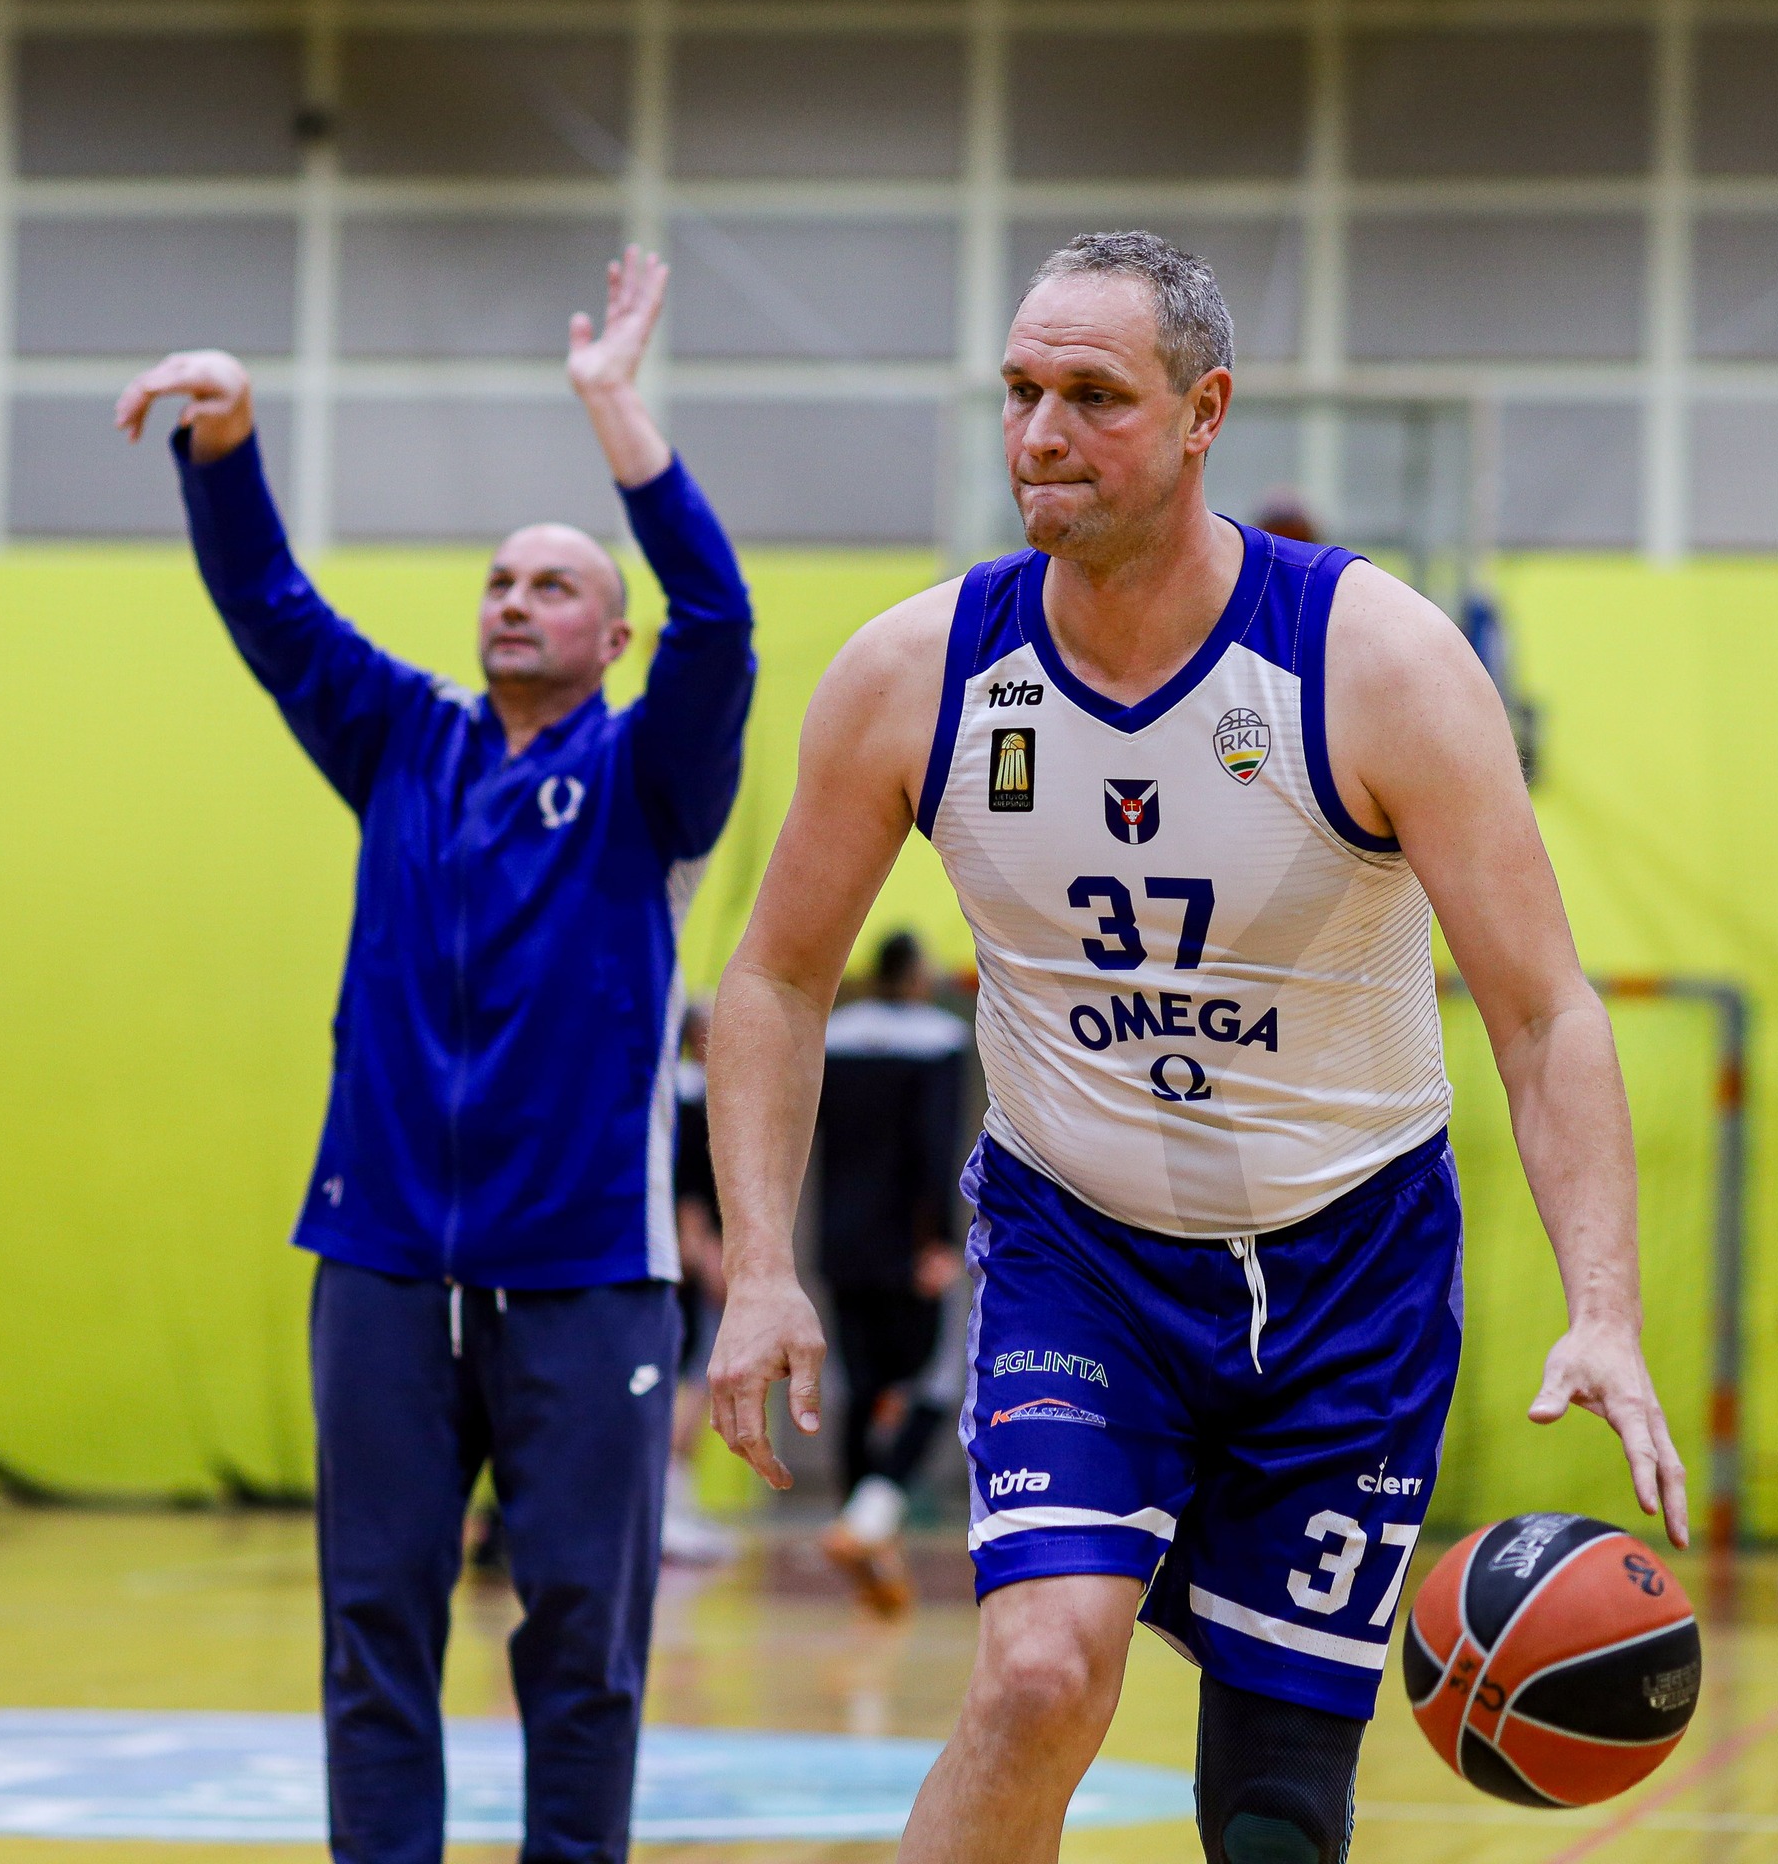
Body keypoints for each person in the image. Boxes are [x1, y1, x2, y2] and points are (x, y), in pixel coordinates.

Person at [704, 229, 1686, 1864]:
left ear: (1201, 411)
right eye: (1021, 390)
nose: (1042, 431)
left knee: (1273, 1819)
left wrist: (1605, 1308)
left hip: (1350, 1276)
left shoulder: (1373, 660)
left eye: (1094, 394)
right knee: (1036, 1677)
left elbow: (1540, 1012)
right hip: (1079, 1254)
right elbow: (774, 979)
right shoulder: (914, 674)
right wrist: (755, 1266)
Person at [113, 248, 754, 1864]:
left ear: (613, 636)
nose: (514, 599)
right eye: (498, 579)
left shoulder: (651, 786)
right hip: (384, 1266)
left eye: (553, 585)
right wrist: (225, 440)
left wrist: (615, 412)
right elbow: (272, 609)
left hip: (587, 1278)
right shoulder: (404, 739)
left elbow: (723, 620)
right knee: (373, 1630)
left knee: (583, 1644)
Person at [813, 930, 969, 1613]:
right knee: (933, 1385)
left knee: (859, 1389)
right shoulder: (939, 1042)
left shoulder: (837, 1037)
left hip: (841, 1244)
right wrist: (940, 1241)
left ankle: (866, 1534)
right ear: (915, 977)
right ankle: (868, 1523)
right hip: (910, 1246)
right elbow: (935, 1147)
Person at [664, 998, 739, 1566]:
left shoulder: (690, 1094)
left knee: (693, 1377)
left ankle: (674, 1504)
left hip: (686, 1253)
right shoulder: (691, 1096)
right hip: (689, 1260)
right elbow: (689, 1183)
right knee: (691, 1379)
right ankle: (667, 1508)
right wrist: (702, 1247)